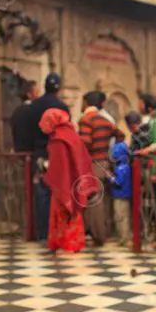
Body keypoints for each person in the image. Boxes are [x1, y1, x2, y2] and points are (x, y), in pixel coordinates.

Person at [41, 108, 97, 253]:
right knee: (74, 211)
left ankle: (63, 243)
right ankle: (74, 243)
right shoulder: (72, 135)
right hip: (76, 179)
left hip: (63, 182)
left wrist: (47, 169)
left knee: (61, 210)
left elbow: (59, 166)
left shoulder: (58, 139)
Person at [27, 72, 69, 241]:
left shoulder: (34, 106)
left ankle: (43, 233)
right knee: (58, 194)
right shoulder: (62, 107)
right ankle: (57, 232)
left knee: (41, 194)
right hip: (57, 154)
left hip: (39, 154)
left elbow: (29, 130)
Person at [78, 90, 123, 245]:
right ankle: (104, 232)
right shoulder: (105, 120)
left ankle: (98, 236)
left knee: (94, 200)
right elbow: (120, 135)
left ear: (86, 103)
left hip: (92, 164)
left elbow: (85, 143)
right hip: (104, 163)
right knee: (103, 200)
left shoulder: (86, 120)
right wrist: (112, 154)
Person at [110, 134, 132, 245]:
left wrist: (110, 178)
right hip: (123, 195)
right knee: (123, 217)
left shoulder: (121, 168)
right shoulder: (127, 166)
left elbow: (118, 182)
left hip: (120, 196)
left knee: (121, 217)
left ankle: (124, 238)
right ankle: (123, 238)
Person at [10, 80, 39, 153]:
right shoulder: (35, 110)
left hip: (18, 151)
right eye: (37, 92)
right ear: (29, 94)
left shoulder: (16, 111)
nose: (39, 95)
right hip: (33, 152)